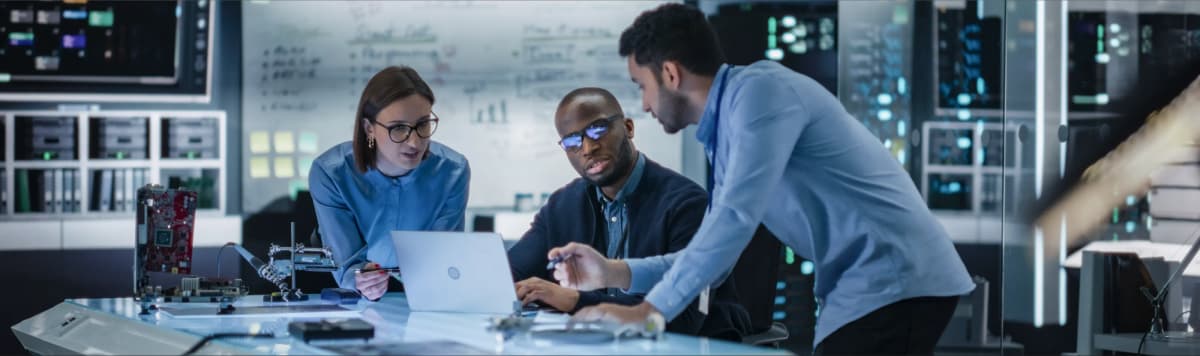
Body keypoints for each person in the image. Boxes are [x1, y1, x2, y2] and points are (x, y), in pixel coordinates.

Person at [548, 4, 974, 354]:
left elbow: (735, 220)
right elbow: (711, 255)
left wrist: (648, 312)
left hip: (897, 280)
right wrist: (613, 272)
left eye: (642, 86)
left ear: (671, 74)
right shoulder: (727, 132)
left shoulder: (759, 95)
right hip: (864, 290)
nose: (643, 104)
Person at [506, 87, 751, 340]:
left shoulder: (687, 203)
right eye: (572, 141)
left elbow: (684, 321)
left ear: (629, 128)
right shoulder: (562, 205)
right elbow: (509, 273)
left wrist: (576, 301)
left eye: (598, 129)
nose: (587, 148)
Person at [310, 66, 470, 301]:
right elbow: (348, 265)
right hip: (349, 294)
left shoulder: (453, 171)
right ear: (369, 128)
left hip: (424, 295)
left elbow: (442, 259)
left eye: (423, 124)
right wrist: (362, 278)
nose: (414, 142)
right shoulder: (331, 173)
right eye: (399, 128)